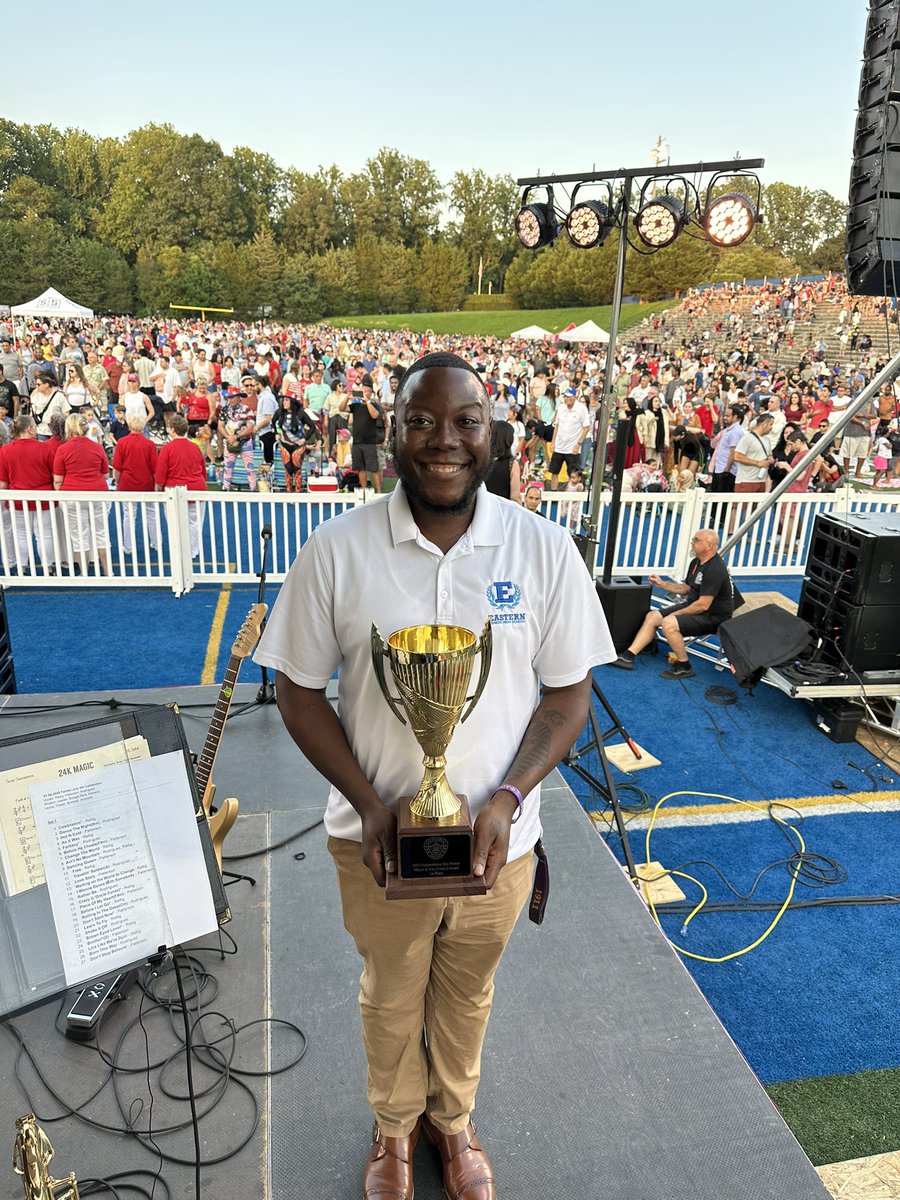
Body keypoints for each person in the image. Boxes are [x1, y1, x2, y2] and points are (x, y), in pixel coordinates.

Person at [253, 351, 614, 1200]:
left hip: (500, 842)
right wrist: (369, 804)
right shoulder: (336, 551)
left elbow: (568, 697)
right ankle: (393, 1126)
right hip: (376, 841)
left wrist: (509, 798)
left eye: (464, 422)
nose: (443, 440)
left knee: (466, 993)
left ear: (493, 435)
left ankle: (452, 1122)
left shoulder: (542, 550)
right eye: (421, 421)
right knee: (390, 994)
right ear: (392, 433)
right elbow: (297, 692)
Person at [609, 528, 736, 679]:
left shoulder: (715, 569)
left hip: (714, 617)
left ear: (709, 545)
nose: (692, 542)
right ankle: (629, 655)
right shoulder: (696, 562)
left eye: (696, 540)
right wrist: (662, 584)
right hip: (696, 607)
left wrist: (675, 614)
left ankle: (684, 666)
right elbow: (687, 588)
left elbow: (703, 605)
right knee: (653, 616)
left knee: (669, 623)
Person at [52, 412, 111, 575]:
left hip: (73, 495)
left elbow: (58, 480)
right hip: (98, 493)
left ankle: (84, 572)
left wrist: (60, 493)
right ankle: (107, 571)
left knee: (78, 536)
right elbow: (106, 474)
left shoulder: (63, 449)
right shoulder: (97, 447)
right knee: (101, 533)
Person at [0, 414, 56, 573]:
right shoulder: (45, 448)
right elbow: (54, 475)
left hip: (18, 499)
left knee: (21, 535)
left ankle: (22, 566)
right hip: (44, 498)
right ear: (30, 429)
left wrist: (3, 501)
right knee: (44, 535)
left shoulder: (6, 450)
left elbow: (3, 481)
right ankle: (48, 567)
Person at [155, 414, 207, 558]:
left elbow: (161, 473)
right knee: (195, 522)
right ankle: (193, 550)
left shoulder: (167, 448)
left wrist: (158, 489)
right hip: (196, 487)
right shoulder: (195, 447)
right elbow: (203, 470)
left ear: (172, 430)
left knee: (175, 522)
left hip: (175, 489)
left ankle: (178, 550)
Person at [112, 415, 159, 554]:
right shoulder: (150, 444)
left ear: (129, 425)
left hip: (127, 483)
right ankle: (156, 542)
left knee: (129, 515)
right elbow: (155, 468)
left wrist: (118, 482)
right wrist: (156, 486)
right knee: (151, 513)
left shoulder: (122, 442)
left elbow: (117, 467)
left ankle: (128, 546)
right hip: (146, 483)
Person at [548, 387, 590, 489]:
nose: (566, 399)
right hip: (559, 446)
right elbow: (557, 426)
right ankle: (554, 492)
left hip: (572, 448)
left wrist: (578, 444)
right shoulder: (561, 408)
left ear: (574, 397)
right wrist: (553, 442)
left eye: (569, 397)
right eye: (565, 397)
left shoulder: (581, 409)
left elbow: (586, 427)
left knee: (573, 473)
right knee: (554, 472)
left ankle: (571, 493)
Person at [484, 420, 521, 502]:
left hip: (481, 505)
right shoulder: (512, 465)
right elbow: (515, 497)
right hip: (502, 507)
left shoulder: (482, 460)